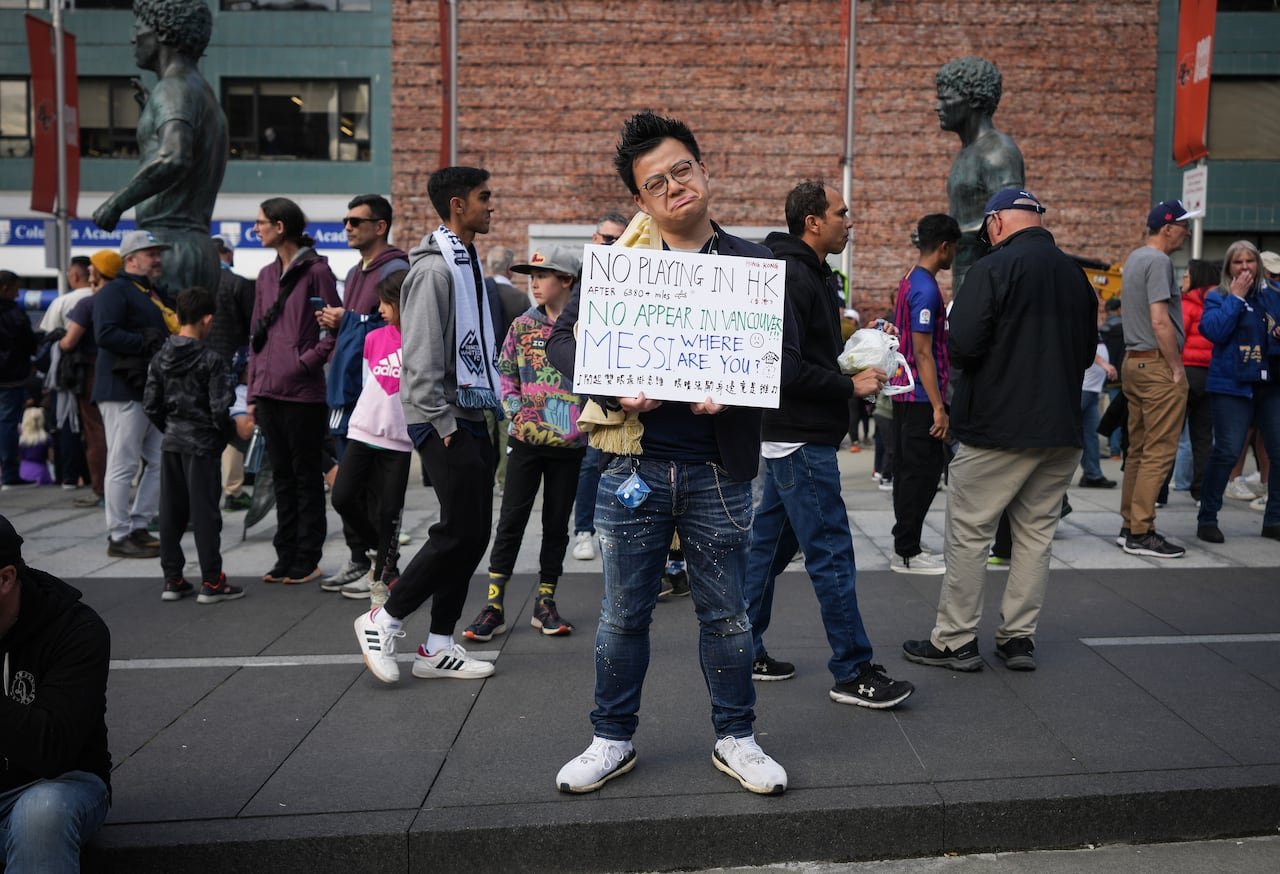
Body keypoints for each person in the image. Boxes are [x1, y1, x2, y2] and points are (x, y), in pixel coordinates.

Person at [546, 111, 788, 796]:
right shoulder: (624, 263)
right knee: (624, 613)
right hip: (633, 468)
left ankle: (737, 738)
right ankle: (610, 738)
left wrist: (737, 393)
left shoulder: (754, 264)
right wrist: (614, 386)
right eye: (657, 183)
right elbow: (563, 343)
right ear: (642, 201)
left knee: (728, 614)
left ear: (702, 171)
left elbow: (787, 358)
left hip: (720, 471)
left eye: (682, 169)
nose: (675, 186)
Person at [902, 188, 1096, 672]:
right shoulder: (1075, 276)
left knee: (970, 533)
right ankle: (1017, 639)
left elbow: (963, 344)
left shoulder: (992, 269)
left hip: (997, 427)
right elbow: (1088, 352)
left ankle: (955, 639)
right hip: (1061, 428)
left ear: (996, 224)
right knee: (1035, 536)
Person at [740, 180, 914, 711]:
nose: (850, 221)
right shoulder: (792, 273)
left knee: (766, 554)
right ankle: (852, 669)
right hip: (799, 438)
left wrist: (856, 353)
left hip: (791, 435)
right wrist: (849, 384)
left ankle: (742, 650)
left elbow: (808, 353)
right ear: (813, 221)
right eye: (842, 213)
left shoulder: (808, 272)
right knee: (831, 554)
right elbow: (783, 366)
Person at [352, 166, 501, 685]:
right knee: (456, 529)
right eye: (485, 197)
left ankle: (438, 645)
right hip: (444, 417)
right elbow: (417, 357)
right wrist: (442, 423)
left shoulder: (466, 262)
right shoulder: (437, 271)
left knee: (473, 533)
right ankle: (384, 618)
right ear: (457, 205)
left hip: (470, 411)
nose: (491, 205)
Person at [464, 246, 586, 642]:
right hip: (526, 441)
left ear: (567, 281)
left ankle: (545, 602)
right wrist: (516, 412)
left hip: (571, 445)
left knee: (556, 526)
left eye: (543, 275)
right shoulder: (521, 325)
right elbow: (505, 375)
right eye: (530, 275)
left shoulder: (588, 326)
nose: (533, 282)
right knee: (510, 522)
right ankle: (494, 605)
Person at [91, 0, 227, 297]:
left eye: (139, 28)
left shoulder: (174, 89)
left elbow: (174, 156)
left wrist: (115, 204)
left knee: (166, 340)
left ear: (163, 33)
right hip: (193, 245)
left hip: (170, 247)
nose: (133, 38)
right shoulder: (200, 92)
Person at [0, 513, 111, 871]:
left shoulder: (75, 630)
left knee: (41, 814)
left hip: (56, 783)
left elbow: (53, 750)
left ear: (5, 578)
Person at [246, 197, 340, 585]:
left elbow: (333, 328)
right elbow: (255, 334)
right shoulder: (266, 275)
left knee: (304, 477)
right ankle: (285, 555)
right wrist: (253, 390)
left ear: (280, 226)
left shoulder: (317, 271)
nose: (256, 229)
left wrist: (304, 363)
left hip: (303, 393)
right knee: (280, 476)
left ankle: (308, 557)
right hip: (268, 392)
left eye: (261, 222)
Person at [318, 194, 410, 591]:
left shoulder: (395, 268)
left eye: (356, 221)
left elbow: (391, 322)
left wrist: (351, 318)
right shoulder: (356, 270)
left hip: (388, 415)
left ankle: (380, 563)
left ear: (380, 226)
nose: (348, 227)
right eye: (345, 221)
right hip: (353, 396)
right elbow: (369, 334)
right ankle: (366, 556)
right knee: (346, 490)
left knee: (381, 497)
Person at [144, 285, 242, 603]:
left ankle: (173, 579)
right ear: (207, 319)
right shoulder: (211, 360)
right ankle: (212, 581)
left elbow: (151, 404)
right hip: (201, 445)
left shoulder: (160, 356)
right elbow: (219, 407)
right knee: (205, 515)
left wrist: (170, 427)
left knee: (170, 513)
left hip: (172, 440)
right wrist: (223, 434)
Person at [1116, 199, 1200, 558]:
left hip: (1134, 362)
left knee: (1137, 449)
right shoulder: (1159, 261)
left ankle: (1129, 525)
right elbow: (1159, 319)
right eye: (1184, 226)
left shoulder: (1135, 258)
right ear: (1167, 228)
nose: (1188, 232)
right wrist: (1177, 367)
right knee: (1158, 451)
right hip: (1156, 364)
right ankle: (1141, 531)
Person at [330, 270, 412, 603]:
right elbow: (368, 385)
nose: (379, 309)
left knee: (389, 511)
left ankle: (383, 578)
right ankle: (377, 552)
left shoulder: (423, 341)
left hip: (400, 441)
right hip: (363, 432)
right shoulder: (374, 338)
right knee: (343, 497)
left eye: (385, 302)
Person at [93, 231, 177, 558]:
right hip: (122, 388)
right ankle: (118, 534)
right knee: (123, 463)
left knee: (158, 459)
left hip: (149, 389)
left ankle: (138, 526)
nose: (157, 259)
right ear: (131, 259)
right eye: (150, 253)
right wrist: (147, 341)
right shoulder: (115, 291)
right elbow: (105, 333)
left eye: (157, 253)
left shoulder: (151, 291)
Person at [1194, 241, 1280, 543]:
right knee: (1227, 451)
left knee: (1278, 450)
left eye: (1250, 262)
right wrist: (1237, 298)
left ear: (1258, 265)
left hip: (1270, 383)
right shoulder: (1218, 296)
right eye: (1238, 262)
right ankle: (1207, 517)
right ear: (1228, 268)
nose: (1245, 267)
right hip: (1231, 384)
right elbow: (1213, 331)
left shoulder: (1273, 296)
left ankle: (1274, 519)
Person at [889, 214, 961, 574]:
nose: (955, 257)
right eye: (955, 249)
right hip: (920, 398)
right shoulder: (927, 289)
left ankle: (907, 543)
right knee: (921, 475)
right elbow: (922, 352)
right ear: (945, 247)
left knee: (909, 473)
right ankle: (907, 551)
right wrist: (938, 407)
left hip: (907, 396)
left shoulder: (909, 280)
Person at [934, 57, 1026, 294]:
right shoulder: (967, 152)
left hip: (989, 281)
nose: (937, 106)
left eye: (945, 98)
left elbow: (1010, 226)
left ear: (973, 99)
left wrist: (949, 235)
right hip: (967, 277)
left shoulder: (998, 153)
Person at [571, 212, 630, 562]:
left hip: (631, 384)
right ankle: (584, 531)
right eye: (607, 240)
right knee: (593, 461)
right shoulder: (585, 278)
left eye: (619, 240)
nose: (612, 246)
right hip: (597, 383)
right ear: (595, 240)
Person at [61, 251, 120, 508]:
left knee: (95, 432)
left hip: (92, 373)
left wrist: (59, 341)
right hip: (124, 373)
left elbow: (69, 341)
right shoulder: (126, 298)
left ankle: (100, 489)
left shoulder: (89, 303)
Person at [208, 235, 256, 512]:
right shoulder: (237, 284)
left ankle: (207, 495)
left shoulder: (196, 282)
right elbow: (253, 330)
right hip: (233, 370)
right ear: (227, 254)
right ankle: (233, 490)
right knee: (237, 432)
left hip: (199, 371)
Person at [482, 245, 529, 497]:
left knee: (485, 429)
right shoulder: (520, 299)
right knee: (504, 430)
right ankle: (503, 480)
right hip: (510, 376)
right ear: (510, 269)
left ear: (490, 266)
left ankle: (483, 478)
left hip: (481, 375)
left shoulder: (479, 294)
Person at [1180, 258, 1220, 503]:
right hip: (1211, 374)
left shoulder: (1188, 303)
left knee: (1170, 434)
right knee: (1203, 437)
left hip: (1186, 371)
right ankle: (1200, 491)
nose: (1183, 279)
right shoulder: (1217, 303)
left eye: (1186, 275)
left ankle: (1159, 493)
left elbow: (1177, 336)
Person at [0, 270, 37, 490]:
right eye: (15, 289)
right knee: (8, 424)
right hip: (10, 377)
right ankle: (10, 474)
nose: (17, 294)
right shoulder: (15, 314)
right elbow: (29, 344)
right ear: (6, 288)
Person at [1078, 337, 1118, 488]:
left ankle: (1092, 475)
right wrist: (1104, 364)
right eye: (1100, 311)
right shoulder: (1083, 320)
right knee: (1066, 431)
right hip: (1084, 388)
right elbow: (1085, 346)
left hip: (1091, 389)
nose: (1103, 315)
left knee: (1090, 436)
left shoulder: (1097, 328)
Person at [1098, 296, 1126, 457]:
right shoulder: (1125, 328)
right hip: (1123, 375)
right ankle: (1118, 449)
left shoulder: (1103, 330)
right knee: (1121, 411)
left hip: (1105, 375)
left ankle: (1113, 450)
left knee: (1111, 411)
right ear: (1119, 310)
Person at [17, 407, 54, 486]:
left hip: (22, 472)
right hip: (41, 472)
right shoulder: (46, 438)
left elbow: (18, 457)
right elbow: (51, 458)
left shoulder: (21, 439)